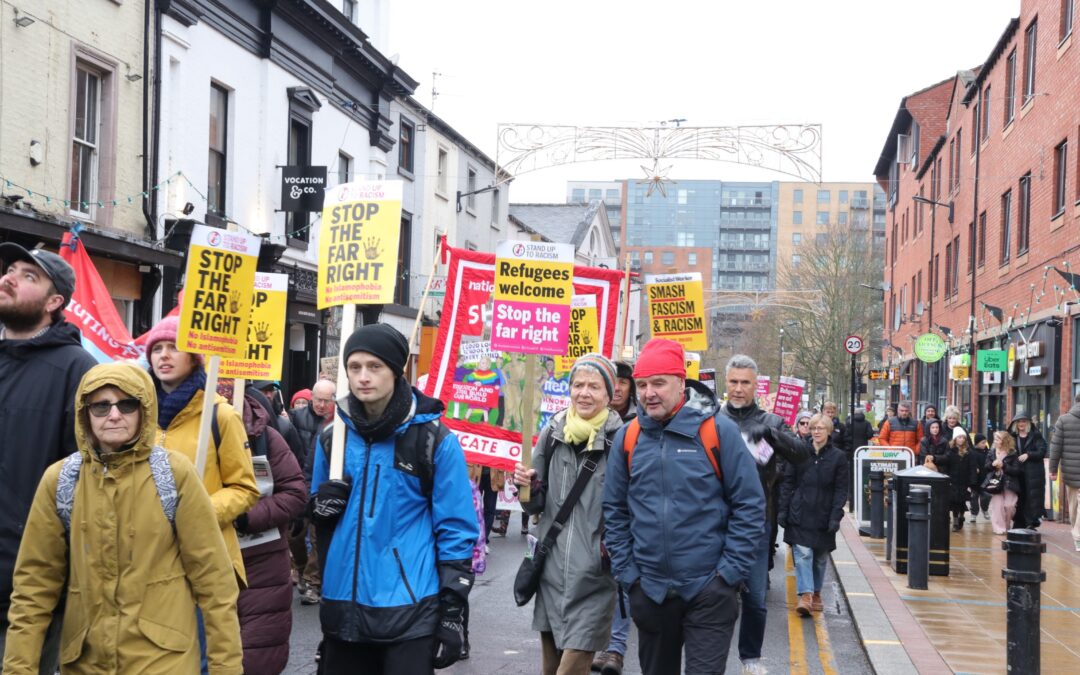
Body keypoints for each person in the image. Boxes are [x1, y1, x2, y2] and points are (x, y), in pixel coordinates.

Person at [2, 362, 243, 673]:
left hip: (164, 663)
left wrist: (227, 669)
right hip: (85, 663)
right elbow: (33, 589)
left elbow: (215, 584)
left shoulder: (174, 473)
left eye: (127, 404)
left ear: (144, 409)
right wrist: (18, 669)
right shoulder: (61, 479)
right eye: (100, 406)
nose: (114, 414)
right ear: (84, 414)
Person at [309, 323, 478, 673]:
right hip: (344, 606)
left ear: (397, 371)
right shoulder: (333, 438)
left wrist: (451, 613)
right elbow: (318, 520)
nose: (363, 377)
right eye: (354, 368)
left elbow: (457, 530)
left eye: (375, 367)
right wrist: (319, 508)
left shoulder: (433, 441)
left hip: (409, 611)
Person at [603, 339, 765, 675]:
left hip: (709, 591)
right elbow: (614, 511)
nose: (649, 393)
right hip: (651, 591)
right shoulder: (628, 437)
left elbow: (749, 505)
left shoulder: (718, 431)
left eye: (659, 383)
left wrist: (728, 575)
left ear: (681, 382)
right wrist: (630, 578)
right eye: (643, 384)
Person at [0, 243, 97, 671]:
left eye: (28, 276)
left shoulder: (79, 370)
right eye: (10, 270)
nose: (8, 278)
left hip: (30, 585)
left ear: (54, 301)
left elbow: (89, 481)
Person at [145, 315, 259, 670]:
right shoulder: (135, 414)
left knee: (203, 660)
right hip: (149, 558)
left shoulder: (220, 415)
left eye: (173, 347)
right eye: (156, 348)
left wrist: (196, 512)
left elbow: (244, 488)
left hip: (205, 559)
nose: (163, 356)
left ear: (194, 356)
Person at [513, 353, 622, 675]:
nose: (584, 393)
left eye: (594, 386)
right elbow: (534, 505)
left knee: (571, 668)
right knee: (551, 668)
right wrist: (527, 487)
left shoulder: (623, 439)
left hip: (594, 576)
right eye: (578, 385)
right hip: (550, 567)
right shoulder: (553, 432)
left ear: (609, 394)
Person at [717, 354, 809, 673]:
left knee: (755, 597)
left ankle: (751, 658)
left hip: (757, 523)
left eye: (745, 382)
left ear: (756, 386)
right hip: (714, 523)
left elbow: (802, 455)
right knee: (713, 598)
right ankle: (709, 660)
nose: (739, 388)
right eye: (734, 382)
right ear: (725, 384)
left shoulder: (771, 422)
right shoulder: (713, 419)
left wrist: (772, 436)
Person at [234, 386, 308, 674]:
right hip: (201, 563)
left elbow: (295, 492)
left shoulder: (265, 437)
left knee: (256, 659)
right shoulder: (184, 439)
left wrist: (244, 517)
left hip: (259, 566)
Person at [592, 360, 638, 675]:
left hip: (625, 516)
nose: (619, 387)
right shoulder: (590, 418)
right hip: (591, 514)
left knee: (621, 584)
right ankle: (597, 644)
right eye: (614, 381)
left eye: (624, 382)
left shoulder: (640, 422)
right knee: (595, 584)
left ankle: (616, 649)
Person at [778, 413, 848, 617]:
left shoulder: (838, 457)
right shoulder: (799, 452)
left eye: (820, 428)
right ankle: (806, 595)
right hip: (800, 511)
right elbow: (788, 482)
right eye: (812, 427)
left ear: (828, 431)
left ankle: (816, 592)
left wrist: (836, 515)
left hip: (824, 513)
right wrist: (783, 509)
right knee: (803, 554)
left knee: (819, 557)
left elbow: (841, 488)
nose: (816, 431)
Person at [291, 378, 335, 605]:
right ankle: (300, 568)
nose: (321, 404)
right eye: (318, 399)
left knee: (318, 536)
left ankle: (312, 583)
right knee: (295, 534)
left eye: (327, 401)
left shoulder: (336, 423)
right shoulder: (295, 418)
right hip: (298, 481)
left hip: (322, 484)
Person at [1049, 391, 1080, 551]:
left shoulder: (1063, 420)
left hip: (1071, 473)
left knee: (1074, 506)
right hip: (1073, 472)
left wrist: (1053, 469)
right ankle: (1078, 535)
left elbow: (1055, 448)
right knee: (1075, 507)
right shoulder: (1064, 420)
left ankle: (1078, 536)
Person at [932, 427, 977, 531]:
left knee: (962, 502)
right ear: (955, 439)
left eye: (963, 437)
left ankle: (961, 516)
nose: (961, 439)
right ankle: (955, 520)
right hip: (954, 481)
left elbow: (973, 468)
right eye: (959, 437)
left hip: (965, 482)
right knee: (954, 501)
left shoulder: (969, 453)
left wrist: (972, 482)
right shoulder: (951, 451)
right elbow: (944, 459)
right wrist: (934, 458)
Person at [1009, 411, 1047, 529]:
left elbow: (1042, 451)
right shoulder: (1012, 436)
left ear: (1028, 423)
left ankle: (1030, 522)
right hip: (1017, 472)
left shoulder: (1036, 435)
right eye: (1019, 421)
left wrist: (1028, 455)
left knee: (1031, 498)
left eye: (1024, 421)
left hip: (1033, 473)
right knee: (1019, 497)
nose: (1021, 424)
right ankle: (1019, 522)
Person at [986, 431, 1022, 535]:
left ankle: (1006, 526)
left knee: (1009, 505)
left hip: (1009, 483)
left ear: (1004, 441)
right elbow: (986, 467)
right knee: (998, 506)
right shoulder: (991, 452)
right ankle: (999, 528)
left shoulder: (1012, 453)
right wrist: (992, 465)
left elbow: (1017, 470)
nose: (995, 441)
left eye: (998, 439)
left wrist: (1004, 466)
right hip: (995, 483)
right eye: (995, 439)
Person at [969, 433, 992, 522]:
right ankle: (974, 514)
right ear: (977, 443)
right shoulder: (972, 452)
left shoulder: (988, 452)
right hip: (975, 479)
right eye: (982, 442)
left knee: (986, 496)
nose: (984, 444)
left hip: (985, 479)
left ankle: (984, 509)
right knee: (974, 497)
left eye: (985, 442)